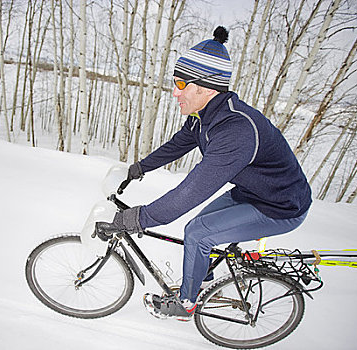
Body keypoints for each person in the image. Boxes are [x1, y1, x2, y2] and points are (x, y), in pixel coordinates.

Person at [96, 26, 312, 320]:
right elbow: (178, 145)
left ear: (207, 88)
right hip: (252, 193)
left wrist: (135, 219)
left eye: (181, 84)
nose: (175, 92)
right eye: (175, 82)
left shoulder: (236, 131)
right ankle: (201, 283)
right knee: (201, 225)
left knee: (197, 233)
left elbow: (191, 192)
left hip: (281, 207)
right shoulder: (203, 117)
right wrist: (138, 169)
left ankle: (186, 304)